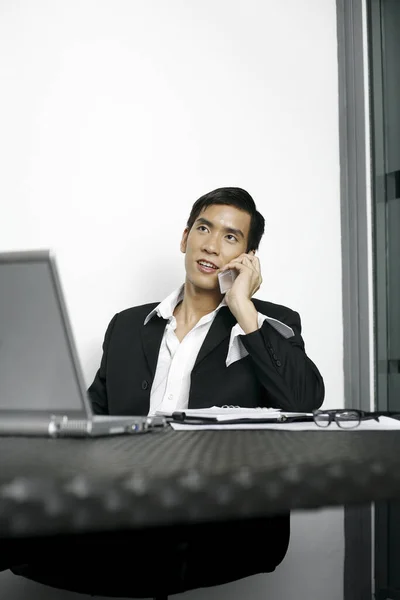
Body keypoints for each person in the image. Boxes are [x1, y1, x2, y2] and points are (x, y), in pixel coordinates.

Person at [88, 186, 324, 416]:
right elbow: (91, 416)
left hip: (214, 456)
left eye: (230, 237)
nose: (211, 247)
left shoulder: (270, 323)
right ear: (184, 239)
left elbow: (302, 403)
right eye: (203, 229)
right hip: (130, 456)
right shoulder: (126, 325)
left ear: (248, 258)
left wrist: (243, 307)